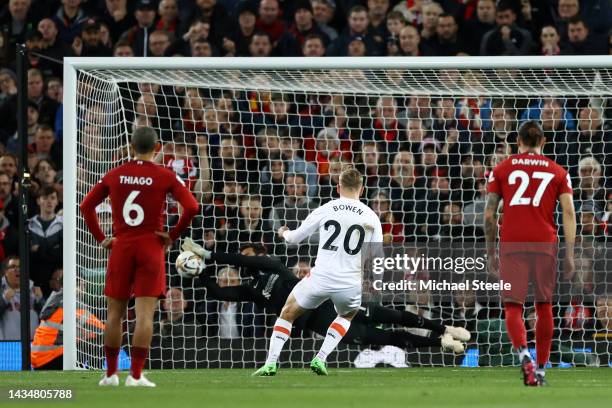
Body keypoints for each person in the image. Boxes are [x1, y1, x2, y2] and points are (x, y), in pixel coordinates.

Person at [181, 241, 470, 364]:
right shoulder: (250, 291)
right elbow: (220, 293)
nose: (245, 259)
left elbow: (242, 259)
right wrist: (203, 272)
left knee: (392, 314)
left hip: (337, 302)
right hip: (325, 323)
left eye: (249, 254)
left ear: (258, 253)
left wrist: (209, 254)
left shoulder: (273, 266)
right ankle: (441, 343)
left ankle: (445, 327)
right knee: (387, 337)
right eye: (245, 255)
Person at [79, 126, 199, 387]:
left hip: (121, 246)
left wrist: (102, 239)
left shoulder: (115, 174)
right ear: (156, 149)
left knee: (114, 314)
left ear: (131, 148)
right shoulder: (165, 175)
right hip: (150, 245)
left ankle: (110, 374)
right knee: (145, 315)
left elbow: (86, 206)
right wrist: (172, 235)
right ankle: (135, 375)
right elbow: (192, 206)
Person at [250, 167, 384, 376]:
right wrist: (375, 282)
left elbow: (295, 239)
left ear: (338, 187)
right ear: (362, 189)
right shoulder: (371, 216)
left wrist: (284, 232)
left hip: (321, 277)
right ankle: (320, 359)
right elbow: (378, 258)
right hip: (349, 282)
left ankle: (271, 363)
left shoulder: (327, 208)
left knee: (287, 313)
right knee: (347, 315)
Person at [484, 121, 576, 386]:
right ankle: (542, 370)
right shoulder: (558, 171)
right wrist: (569, 252)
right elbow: (569, 212)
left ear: (518, 141)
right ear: (543, 142)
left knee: (513, 306)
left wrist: (491, 250)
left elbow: (490, 214)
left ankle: (525, 355)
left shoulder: (502, 168)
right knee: (544, 306)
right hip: (545, 245)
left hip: (512, 244)